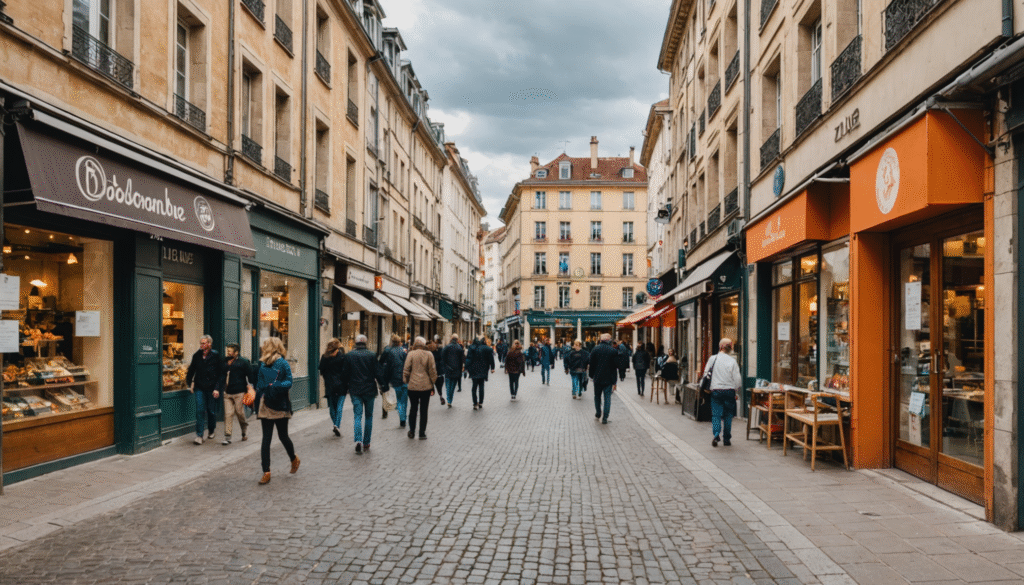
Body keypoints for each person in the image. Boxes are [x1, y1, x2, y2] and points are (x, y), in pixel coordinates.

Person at [254, 337, 299, 485]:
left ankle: (293, 458)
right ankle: (266, 471)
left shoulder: (282, 363)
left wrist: (274, 385)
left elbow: (289, 382)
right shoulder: (263, 365)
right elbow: (259, 384)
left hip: (280, 403)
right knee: (266, 439)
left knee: (282, 436)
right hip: (266, 404)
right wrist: (261, 391)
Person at [341, 334, 381, 454]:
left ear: (356, 343)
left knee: (357, 416)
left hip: (355, 390)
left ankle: (358, 440)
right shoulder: (372, 355)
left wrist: (345, 387)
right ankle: (366, 442)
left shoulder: (349, 356)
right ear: (366, 343)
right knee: (369, 416)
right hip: (369, 390)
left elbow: (344, 374)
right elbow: (378, 373)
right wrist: (383, 386)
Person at [704, 338, 743, 447]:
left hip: (716, 390)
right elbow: (738, 379)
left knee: (716, 415)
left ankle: (716, 435)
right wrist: (736, 389)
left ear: (720, 347)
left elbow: (706, 373)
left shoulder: (713, 359)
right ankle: (727, 439)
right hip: (729, 391)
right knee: (728, 415)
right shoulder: (732, 361)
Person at [186, 335, 222, 445]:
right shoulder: (196, 355)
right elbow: (191, 370)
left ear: (209, 344)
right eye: (201, 343)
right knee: (200, 410)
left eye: (204, 343)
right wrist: (189, 383)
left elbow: (221, 374)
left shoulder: (216, 355)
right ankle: (199, 435)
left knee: (211, 411)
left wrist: (217, 388)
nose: (201, 345)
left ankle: (211, 430)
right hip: (199, 387)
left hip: (212, 388)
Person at [219, 342, 254, 445]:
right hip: (227, 393)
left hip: (239, 392)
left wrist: (250, 386)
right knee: (228, 414)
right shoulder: (224, 361)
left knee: (240, 413)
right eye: (227, 351)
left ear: (236, 352)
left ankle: (244, 429)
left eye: (230, 351)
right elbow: (221, 375)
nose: (228, 353)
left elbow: (250, 375)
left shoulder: (243, 362)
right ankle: (228, 437)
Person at [402, 336, 436, 440]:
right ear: (424, 344)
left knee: (413, 408)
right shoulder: (429, 354)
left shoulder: (411, 354)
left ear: (415, 344)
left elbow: (406, 369)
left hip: (413, 386)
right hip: (426, 387)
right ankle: (422, 433)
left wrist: (406, 380)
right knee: (424, 410)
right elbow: (432, 370)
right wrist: (433, 382)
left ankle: (412, 431)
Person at [378, 334, 409, 427]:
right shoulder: (403, 352)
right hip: (404, 380)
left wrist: (385, 381)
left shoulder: (390, 352)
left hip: (395, 380)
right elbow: (407, 365)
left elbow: (388, 368)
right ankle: (404, 416)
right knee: (404, 401)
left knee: (399, 400)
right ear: (399, 342)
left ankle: (402, 419)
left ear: (392, 342)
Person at [588, 333, 619, 424]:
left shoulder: (595, 349)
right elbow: (615, 367)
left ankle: (598, 413)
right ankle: (605, 417)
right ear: (609, 340)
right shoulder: (613, 351)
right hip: (608, 379)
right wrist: (614, 380)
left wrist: (591, 375)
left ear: (601, 340)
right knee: (607, 398)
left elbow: (591, 364)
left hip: (597, 378)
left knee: (597, 396)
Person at [319, 338, 346, 437]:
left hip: (330, 385)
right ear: (338, 347)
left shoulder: (324, 357)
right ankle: (336, 425)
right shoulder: (342, 357)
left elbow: (321, 371)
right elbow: (346, 371)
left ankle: (335, 424)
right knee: (339, 406)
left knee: (332, 407)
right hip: (341, 385)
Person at [465, 336, 496, 410]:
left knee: (474, 387)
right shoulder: (486, 348)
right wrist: (492, 367)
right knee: (481, 386)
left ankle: (475, 403)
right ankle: (481, 402)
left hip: (473, 370)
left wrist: (466, 368)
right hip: (483, 369)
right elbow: (490, 357)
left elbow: (468, 359)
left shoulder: (471, 348)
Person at [440, 334, 465, 408]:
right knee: (453, 385)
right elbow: (462, 360)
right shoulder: (459, 348)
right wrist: (461, 368)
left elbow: (442, 358)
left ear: (451, 339)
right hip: (456, 370)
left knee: (448, 385)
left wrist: (444, 366)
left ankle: (448, 399)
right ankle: (450, 400)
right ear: (457, 339)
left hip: (448, 369)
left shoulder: (447, 347)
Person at [429, 337, 445, 404]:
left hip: (432, 370)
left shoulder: (429, 352)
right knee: (439, 384)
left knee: (432, 382)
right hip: (439, 371)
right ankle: (440, 394)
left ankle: (432, 391)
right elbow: (442, 359)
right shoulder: (440, 349)